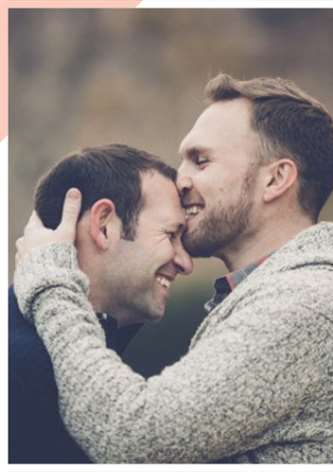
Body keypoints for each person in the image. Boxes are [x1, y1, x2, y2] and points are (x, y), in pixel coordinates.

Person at [13, 74, 333, 463]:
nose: (181, 178)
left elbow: (135, 438)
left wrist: (53, 284)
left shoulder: (305, 306)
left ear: (275, 179)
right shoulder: (276, 296)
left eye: (200, 160)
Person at [9, 144, 192, 463]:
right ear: (104, 225)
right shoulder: (21, 368)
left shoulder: (63, 353)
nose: (185, 262)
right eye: (171, 234)